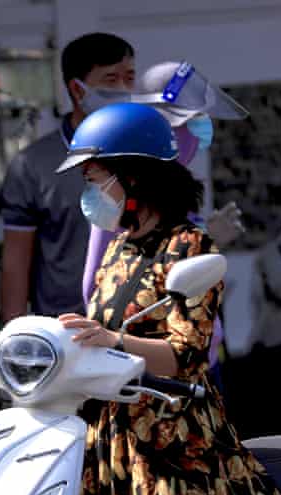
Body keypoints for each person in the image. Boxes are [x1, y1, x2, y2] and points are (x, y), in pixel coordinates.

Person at [55, 102, 281, 495]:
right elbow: (95, 330)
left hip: (174, 443)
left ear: (130, 177)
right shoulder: (117, 248)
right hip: (117, 440)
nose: (88, 195)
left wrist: (113, 341)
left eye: (93, 181)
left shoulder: (189, 246)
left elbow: (184, 355)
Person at [79, 60, 249, 392]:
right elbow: (97, 291)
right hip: (153, 376)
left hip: (195, 364)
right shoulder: (120, 198)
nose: (200, 130)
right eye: (193, 121)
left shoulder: (176, 190)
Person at [0, 32, 136, 323]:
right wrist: (13, 340)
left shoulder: (148, 152)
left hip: (140, 328)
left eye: (130, 77)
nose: (125, 89)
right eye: (111, 80)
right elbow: (15, 262)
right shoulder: (34, 165)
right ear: (78, 89)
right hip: (67, 333)